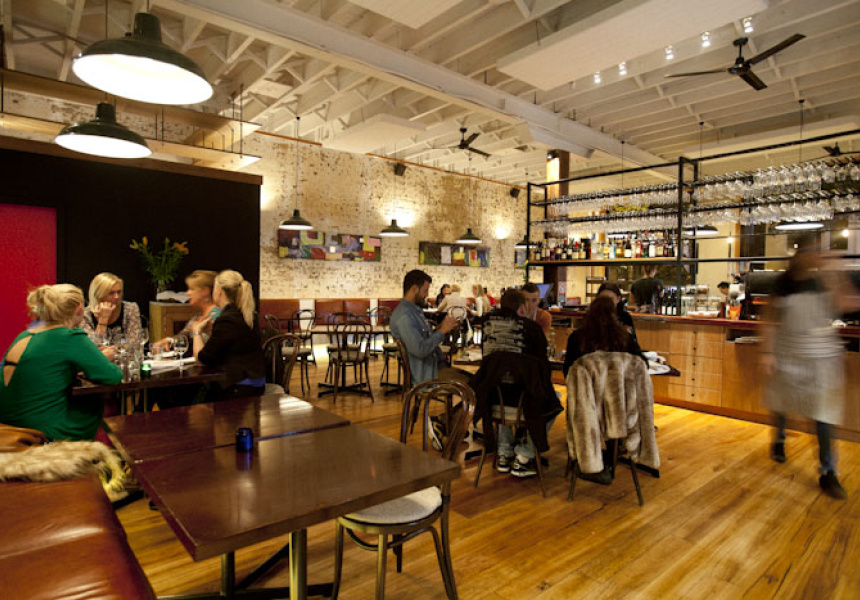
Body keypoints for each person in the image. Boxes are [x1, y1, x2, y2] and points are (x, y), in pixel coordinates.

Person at [761, 236, 858, 500]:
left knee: (823, 414)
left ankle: (828, 471)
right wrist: (767, 352)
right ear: (799, 254)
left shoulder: (826, 279)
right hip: (788, 351)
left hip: (821, 357)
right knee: (781, 401)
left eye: (817, 251)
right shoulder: (784, 282)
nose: (815, 255)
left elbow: (847, 304)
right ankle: (779, 440)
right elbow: (770, 318)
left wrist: (835, 272)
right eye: (810, 251)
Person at [0, 284, 122, 441]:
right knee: (92, 405)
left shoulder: (25, 334)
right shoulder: (69, 336)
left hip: (8, 423)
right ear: (79, 308)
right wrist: (102, 358)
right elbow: (113, 376)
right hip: (41, 428)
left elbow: (48, 365)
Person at [478, 289, 562, 477]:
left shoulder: (487, 324)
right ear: (522, 307)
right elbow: (543, 370)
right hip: (524, 404)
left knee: (503, 387)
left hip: (491, 401)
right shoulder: (531, 329)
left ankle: (504, 452)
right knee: (553, 399)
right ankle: (524, 455)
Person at [190, 270, 266, 399]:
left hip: (237, 386)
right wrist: (211, 332)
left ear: (219, 291)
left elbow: (202, 360)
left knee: (181, 396)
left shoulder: (227, 319)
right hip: (255, 382)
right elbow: (233, 344)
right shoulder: (246, 315)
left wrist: (196, 332)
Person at [390, 270, 458, 384]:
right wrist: (442, 331)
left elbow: (425, 340)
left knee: (481, 379)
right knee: (476, 383)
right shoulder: (404, 316)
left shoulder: (414, 311)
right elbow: (420, 350)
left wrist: (442, 327)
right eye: (425, 290)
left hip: (435, 368)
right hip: (428, 378)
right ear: (414, 289)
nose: (427, 295)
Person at [563, 295, 645, 378]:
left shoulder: (576, 337)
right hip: (618, 384)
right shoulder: (624, 337)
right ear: (614, 314)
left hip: (586, 384)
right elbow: (642, 364)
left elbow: (568, 370)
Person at [152, 270, 221, 350]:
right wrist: (168, 341)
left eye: (192, 289)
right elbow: (183, 336)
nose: (187, 293)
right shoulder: (198, 316)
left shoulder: (216, 316)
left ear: (205, 291)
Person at [81, 273, 142, 343]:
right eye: (111, 293)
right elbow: (90, 346)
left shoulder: (130, 309)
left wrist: (112, 349)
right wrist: (103, 320)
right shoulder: (85, 315)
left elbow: (135, 342)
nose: (117, 297)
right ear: (98, 295)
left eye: (119, 292)